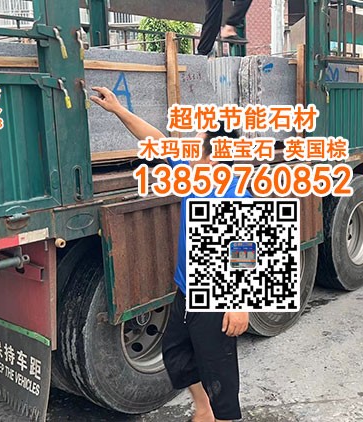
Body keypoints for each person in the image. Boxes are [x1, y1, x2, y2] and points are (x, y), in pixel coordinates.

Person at [90, 86, 251, 422]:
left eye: (196, 140)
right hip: (185, 291)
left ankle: (218, 414)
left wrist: (240, 305)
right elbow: (154, 138)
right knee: (176, 354)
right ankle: (204, 410)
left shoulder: (233, 189)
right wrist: (118, 109)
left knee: (220, 376)